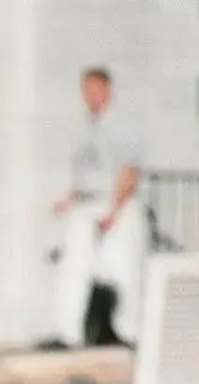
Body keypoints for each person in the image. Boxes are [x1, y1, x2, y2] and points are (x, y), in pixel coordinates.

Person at [49, 67, 148, 347]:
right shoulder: (86, 127)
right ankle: (68, 333)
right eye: (86, 90)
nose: (90, 96)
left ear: (107, 90)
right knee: (74, 267)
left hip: (117, 204)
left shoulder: (122, 126)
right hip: (87, 204)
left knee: (123, 270)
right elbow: (84, 173)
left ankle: (128, 332)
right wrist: (67, 199)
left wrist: (113, 211)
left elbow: (128, 172)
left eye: (95, 89)